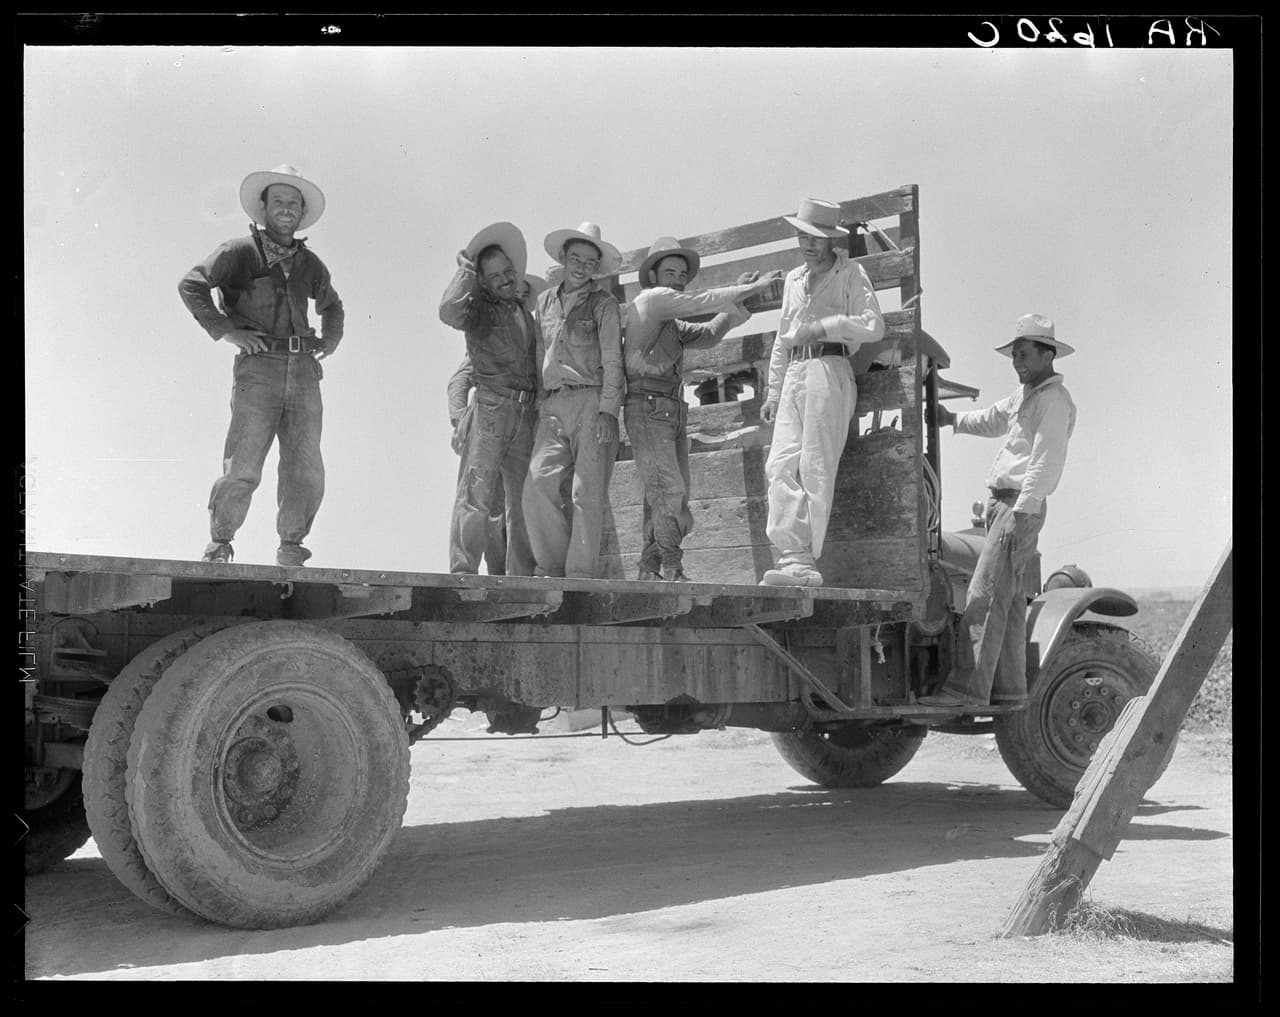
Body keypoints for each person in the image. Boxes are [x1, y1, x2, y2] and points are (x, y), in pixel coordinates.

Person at [179, 164, 343, 567]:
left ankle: (291, 547)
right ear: (264, 209)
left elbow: (333, 306)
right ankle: (220, 544)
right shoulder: (238, 252)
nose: (286, 209)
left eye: (293, 203)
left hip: (303, 372)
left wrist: (329, 340)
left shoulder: (310, 264)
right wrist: (227, 332)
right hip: (258, 369)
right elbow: (192, 284)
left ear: (301, 213)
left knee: (305, 466)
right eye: (279, 201)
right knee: (244, 463)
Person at [918, 313, 1077, 708]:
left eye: (1023, 354)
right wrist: (953, 419)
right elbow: (993, 419)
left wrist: (1022, 512)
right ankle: (1008, 689)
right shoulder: (1027, 395)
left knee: (984, 595)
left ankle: (965, 692)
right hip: (1006, 505)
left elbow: (1045, 461)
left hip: (1017, 506)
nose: (1016, 362)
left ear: (1047, 354)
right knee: (1008, 601)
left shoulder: (1054, 401)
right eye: (1014, 355)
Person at [623, 237, 784, 581]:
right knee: (669, 489)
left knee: (668, 492)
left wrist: (737, 298)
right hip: (649, 406)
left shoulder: (669, 321)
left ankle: (649, 569)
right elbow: (701, 300)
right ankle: (672, 567)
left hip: (668, 408)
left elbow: (709, 334)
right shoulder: (651, 301)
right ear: (652, 277)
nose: (677, 280)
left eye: (682, 275)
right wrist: (751, 288)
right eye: (670, 272)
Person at [759, 198, 885, 587]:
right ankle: (791, 556)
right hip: (795, 373)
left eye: (815, 238)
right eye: (803, 236)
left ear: (831, 238)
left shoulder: (851, 273)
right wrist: (773, 390)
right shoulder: (794, 280)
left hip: (829, 369)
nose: (808, 244)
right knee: (779, 464)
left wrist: (827, 326)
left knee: (815, 466)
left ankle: (803, 564)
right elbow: (783, 339)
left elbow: (873, 325)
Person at [523, 222, 624, 579]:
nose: (582, 267)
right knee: (537, 483)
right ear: (563, 258)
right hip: (553, 402)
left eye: (590, 262)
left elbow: (613, 359)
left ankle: (580, 576)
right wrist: (540, 400)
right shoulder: (544, 302)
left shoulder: (603, 304)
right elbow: (540, 351)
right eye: (576, 258)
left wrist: (608, 411)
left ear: (597, 267)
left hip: (590, 401)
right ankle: (550, 570)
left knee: (586, 492)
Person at [439, 223, 540, 576]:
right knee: (477, 494)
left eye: (507, 271)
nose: (504, 279)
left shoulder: (524, 314)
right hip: (492, 409)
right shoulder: (479, 312)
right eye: (494, 275)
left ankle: (520, 576)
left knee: (523, 500)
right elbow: (448, 311)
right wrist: (465, 272)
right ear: (482, 281)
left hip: (524, 413)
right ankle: (463, 572)